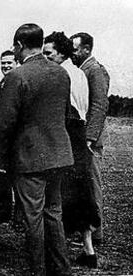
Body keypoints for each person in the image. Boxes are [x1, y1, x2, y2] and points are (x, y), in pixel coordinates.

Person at [0, 24, 73, 276]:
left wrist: (0, 158)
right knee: (54, 214)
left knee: (33, 217)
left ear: (18, 45)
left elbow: (5, 123)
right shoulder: (61, 73)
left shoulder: (17, 76)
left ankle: (37, 270)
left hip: (29, 159)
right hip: (59, 155)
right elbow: (64, 114)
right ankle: (61, 269)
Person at [43, 31, 100, 268]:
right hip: (79, 135)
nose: (45, 58)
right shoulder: (78, 73)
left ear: (61, 53)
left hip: (66, 133)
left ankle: (59, 252)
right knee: (82, 191)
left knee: (61, 193)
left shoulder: (59, 73)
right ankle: (88, 250)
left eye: (49, 53)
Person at [70, 32, 110, 249]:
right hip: (84, 139)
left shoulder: (94, 70)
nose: (72, 53)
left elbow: (99, 105)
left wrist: (90, 137)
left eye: (75, 49)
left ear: (86, 49)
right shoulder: (83, 70)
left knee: (92, 184)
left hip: (90, 140)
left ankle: (95, 234)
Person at [0, 49, 18, 225]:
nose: (6, 66)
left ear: (16, 63)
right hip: (1, 139)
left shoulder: (20, 83)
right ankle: (3, 212)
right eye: (3, 63)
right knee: (0, 177)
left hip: (17, 140)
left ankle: (20, 216)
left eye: (9, 62)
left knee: (19, 179)